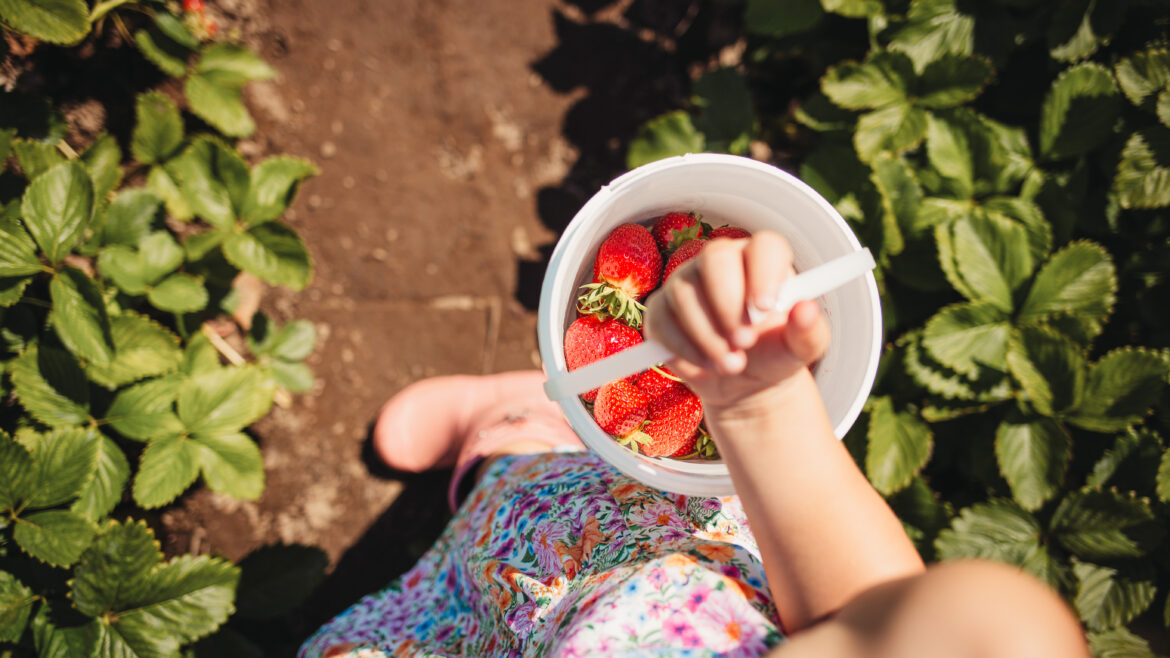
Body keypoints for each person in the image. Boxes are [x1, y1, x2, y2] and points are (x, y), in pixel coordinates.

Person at [301, 232, 1089, 657]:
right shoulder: (993, 640)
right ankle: (515, 430)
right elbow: (859, 604)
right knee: (528, 502)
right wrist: (755, 398)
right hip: (612, 542)